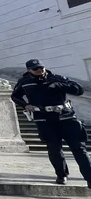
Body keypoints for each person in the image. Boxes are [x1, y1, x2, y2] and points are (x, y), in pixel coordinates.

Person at [12, 59, 90, 187]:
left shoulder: (57, 78)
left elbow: (78, 90)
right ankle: (61, 174)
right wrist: (25, 105)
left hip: (67, 117)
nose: (39, 70)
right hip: (45, 120)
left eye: (41, 67)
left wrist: (60, 85)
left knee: (79, 148)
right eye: (35, 69)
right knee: (54, 150)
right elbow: (15, 96)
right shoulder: (25, 82)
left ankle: (89, 177)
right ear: (29, 70)